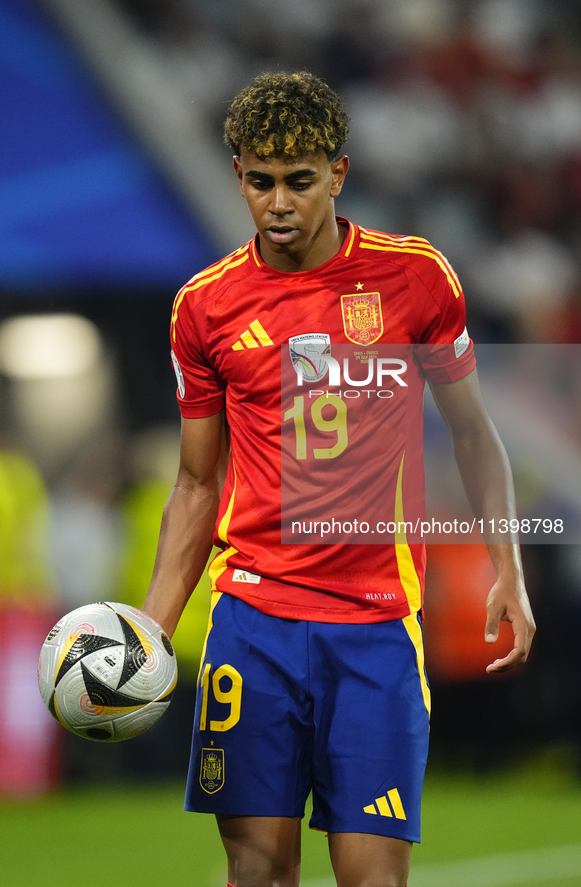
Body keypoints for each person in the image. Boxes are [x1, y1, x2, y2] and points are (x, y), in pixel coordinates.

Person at [142, 71, 535, 887]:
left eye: (299, 182)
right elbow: (192, 483)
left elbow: (472, 432)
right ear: (238, 177)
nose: (278, 203)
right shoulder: (204, 308)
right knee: (256, 873)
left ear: (338, 175)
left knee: (374, 880)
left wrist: (508, 565)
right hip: (252, 622)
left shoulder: (416, 279)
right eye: (260, 182)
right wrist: (150, 628)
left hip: (376, 629)